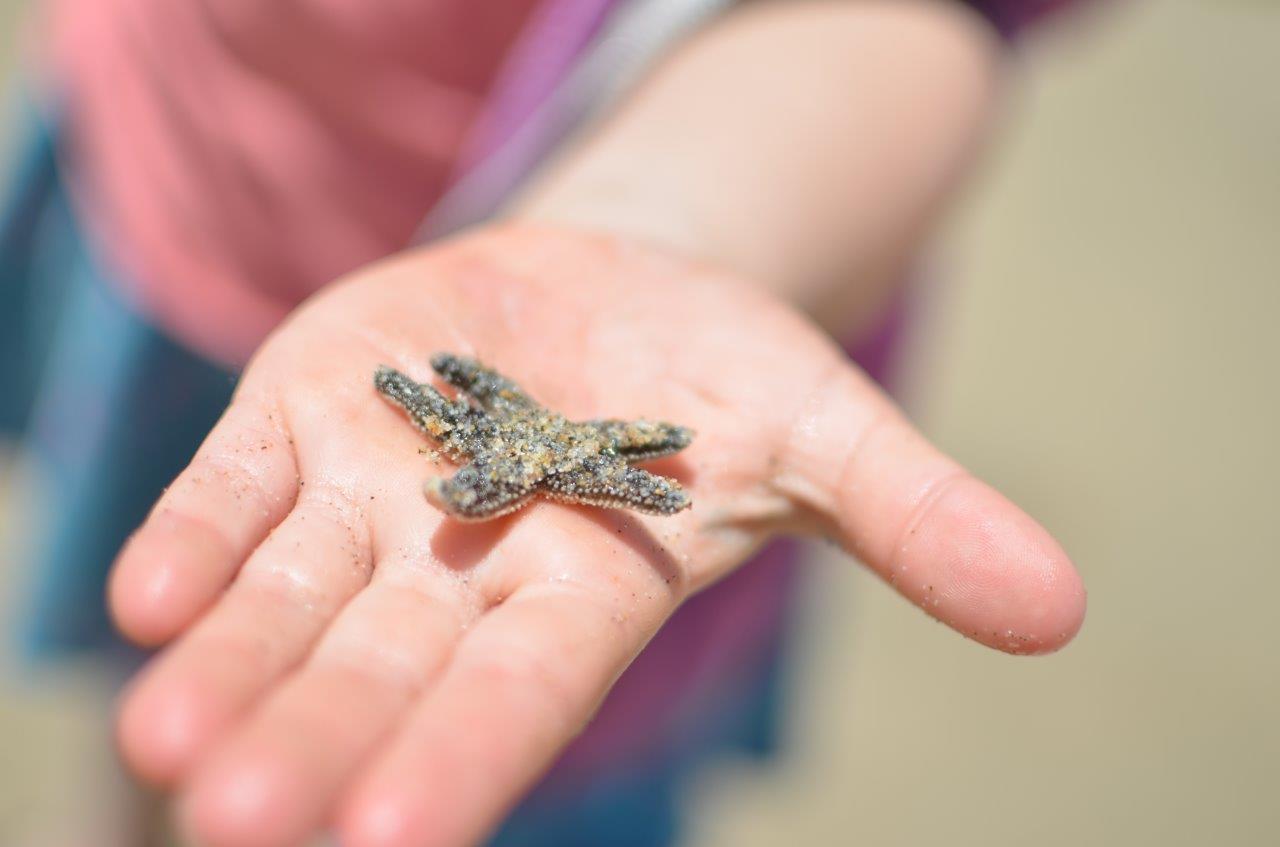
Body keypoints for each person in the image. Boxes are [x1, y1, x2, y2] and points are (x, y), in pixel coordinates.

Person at [1, 1, 1090, 845]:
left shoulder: (542, 453)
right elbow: (445, 406)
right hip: (174, 175)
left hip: (746, 208)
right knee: (193, 644)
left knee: (474, 760)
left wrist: (650, 229)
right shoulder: (506, 432)